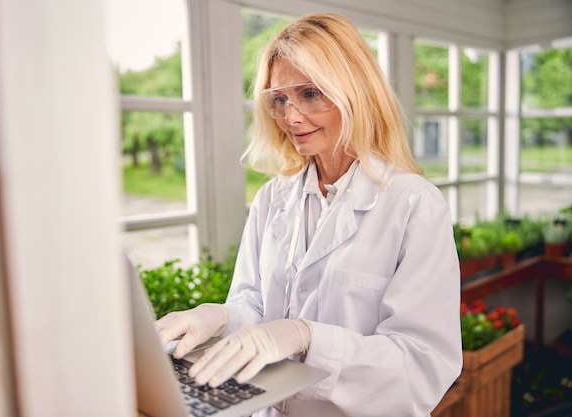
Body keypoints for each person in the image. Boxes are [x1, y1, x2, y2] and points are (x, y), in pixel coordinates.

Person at [155, 12, 462, 417]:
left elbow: (421, 364)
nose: (290, 117)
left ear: (356, 91)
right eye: (280, 98)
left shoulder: (414, 205)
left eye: (310, 94)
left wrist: (305, 337)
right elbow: (256, 309)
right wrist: (218, 318)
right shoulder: (272, 198)